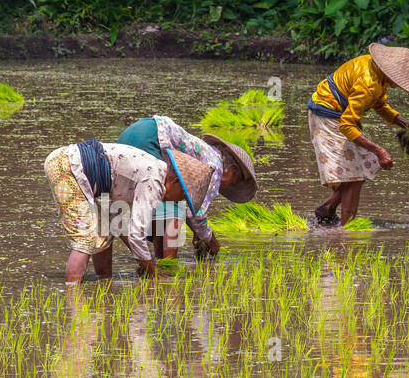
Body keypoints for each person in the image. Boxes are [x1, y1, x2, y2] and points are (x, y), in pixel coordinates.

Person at [43, 138, 214, 284]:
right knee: (85, 239)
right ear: (175, 181)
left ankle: (103, 280)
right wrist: (154, 274)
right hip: (67, 166)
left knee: (104, 231)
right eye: (183, 195)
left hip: (68, 163)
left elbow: (115, 220)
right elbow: (136, 235)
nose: (179, 201)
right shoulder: (154, 181)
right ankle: (72, 297)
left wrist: (143, 261)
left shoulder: (155, 173)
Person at [307, 43, 409, 226]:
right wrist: (380, 151)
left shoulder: (376, 72)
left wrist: (405, 124)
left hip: (341, 115)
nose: (400, 86)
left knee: (359, 169)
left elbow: (380, 105)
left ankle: (327, 208)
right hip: (327, 115)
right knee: (355, 175)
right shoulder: (369, 83)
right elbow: (346, 124)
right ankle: (346, 231)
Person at [117, 116, 257, 260]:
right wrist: (210, 239)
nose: (229, 185)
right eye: (234, 181)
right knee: (173, 212)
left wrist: (198, 232)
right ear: (232, 170)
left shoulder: (206, 152)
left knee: (161, 206)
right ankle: (168, 272)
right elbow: (196, 213)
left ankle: (158, 262)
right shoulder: (215, 168)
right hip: (153, 139)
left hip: (133, 132)